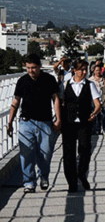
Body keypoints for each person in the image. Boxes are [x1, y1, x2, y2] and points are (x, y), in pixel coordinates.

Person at [7, 54, 62, 194]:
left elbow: (55, 99)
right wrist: (10, 122)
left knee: (46, 153)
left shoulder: (49, 80)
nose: (31, 71)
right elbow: (15, 102)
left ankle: (43, 176)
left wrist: (58, 119)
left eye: (33, 68)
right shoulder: (22, 81)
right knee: (26, 153)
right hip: (26, 122)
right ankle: (29, 182)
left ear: (40, 66)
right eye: (28, 68)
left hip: (45, 122)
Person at [61, 59, 101, 193]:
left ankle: (82, 173)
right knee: (68, 153)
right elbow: (60, 102)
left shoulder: (90, 85)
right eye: (81, 70)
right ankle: (71, 182)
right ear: (74, 70)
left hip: (84, 122)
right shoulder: (65, 84)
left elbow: (97, 104)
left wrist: (94, 113)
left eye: (85, 70)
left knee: (85, 150)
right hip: (68, 123)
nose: (84, 72)